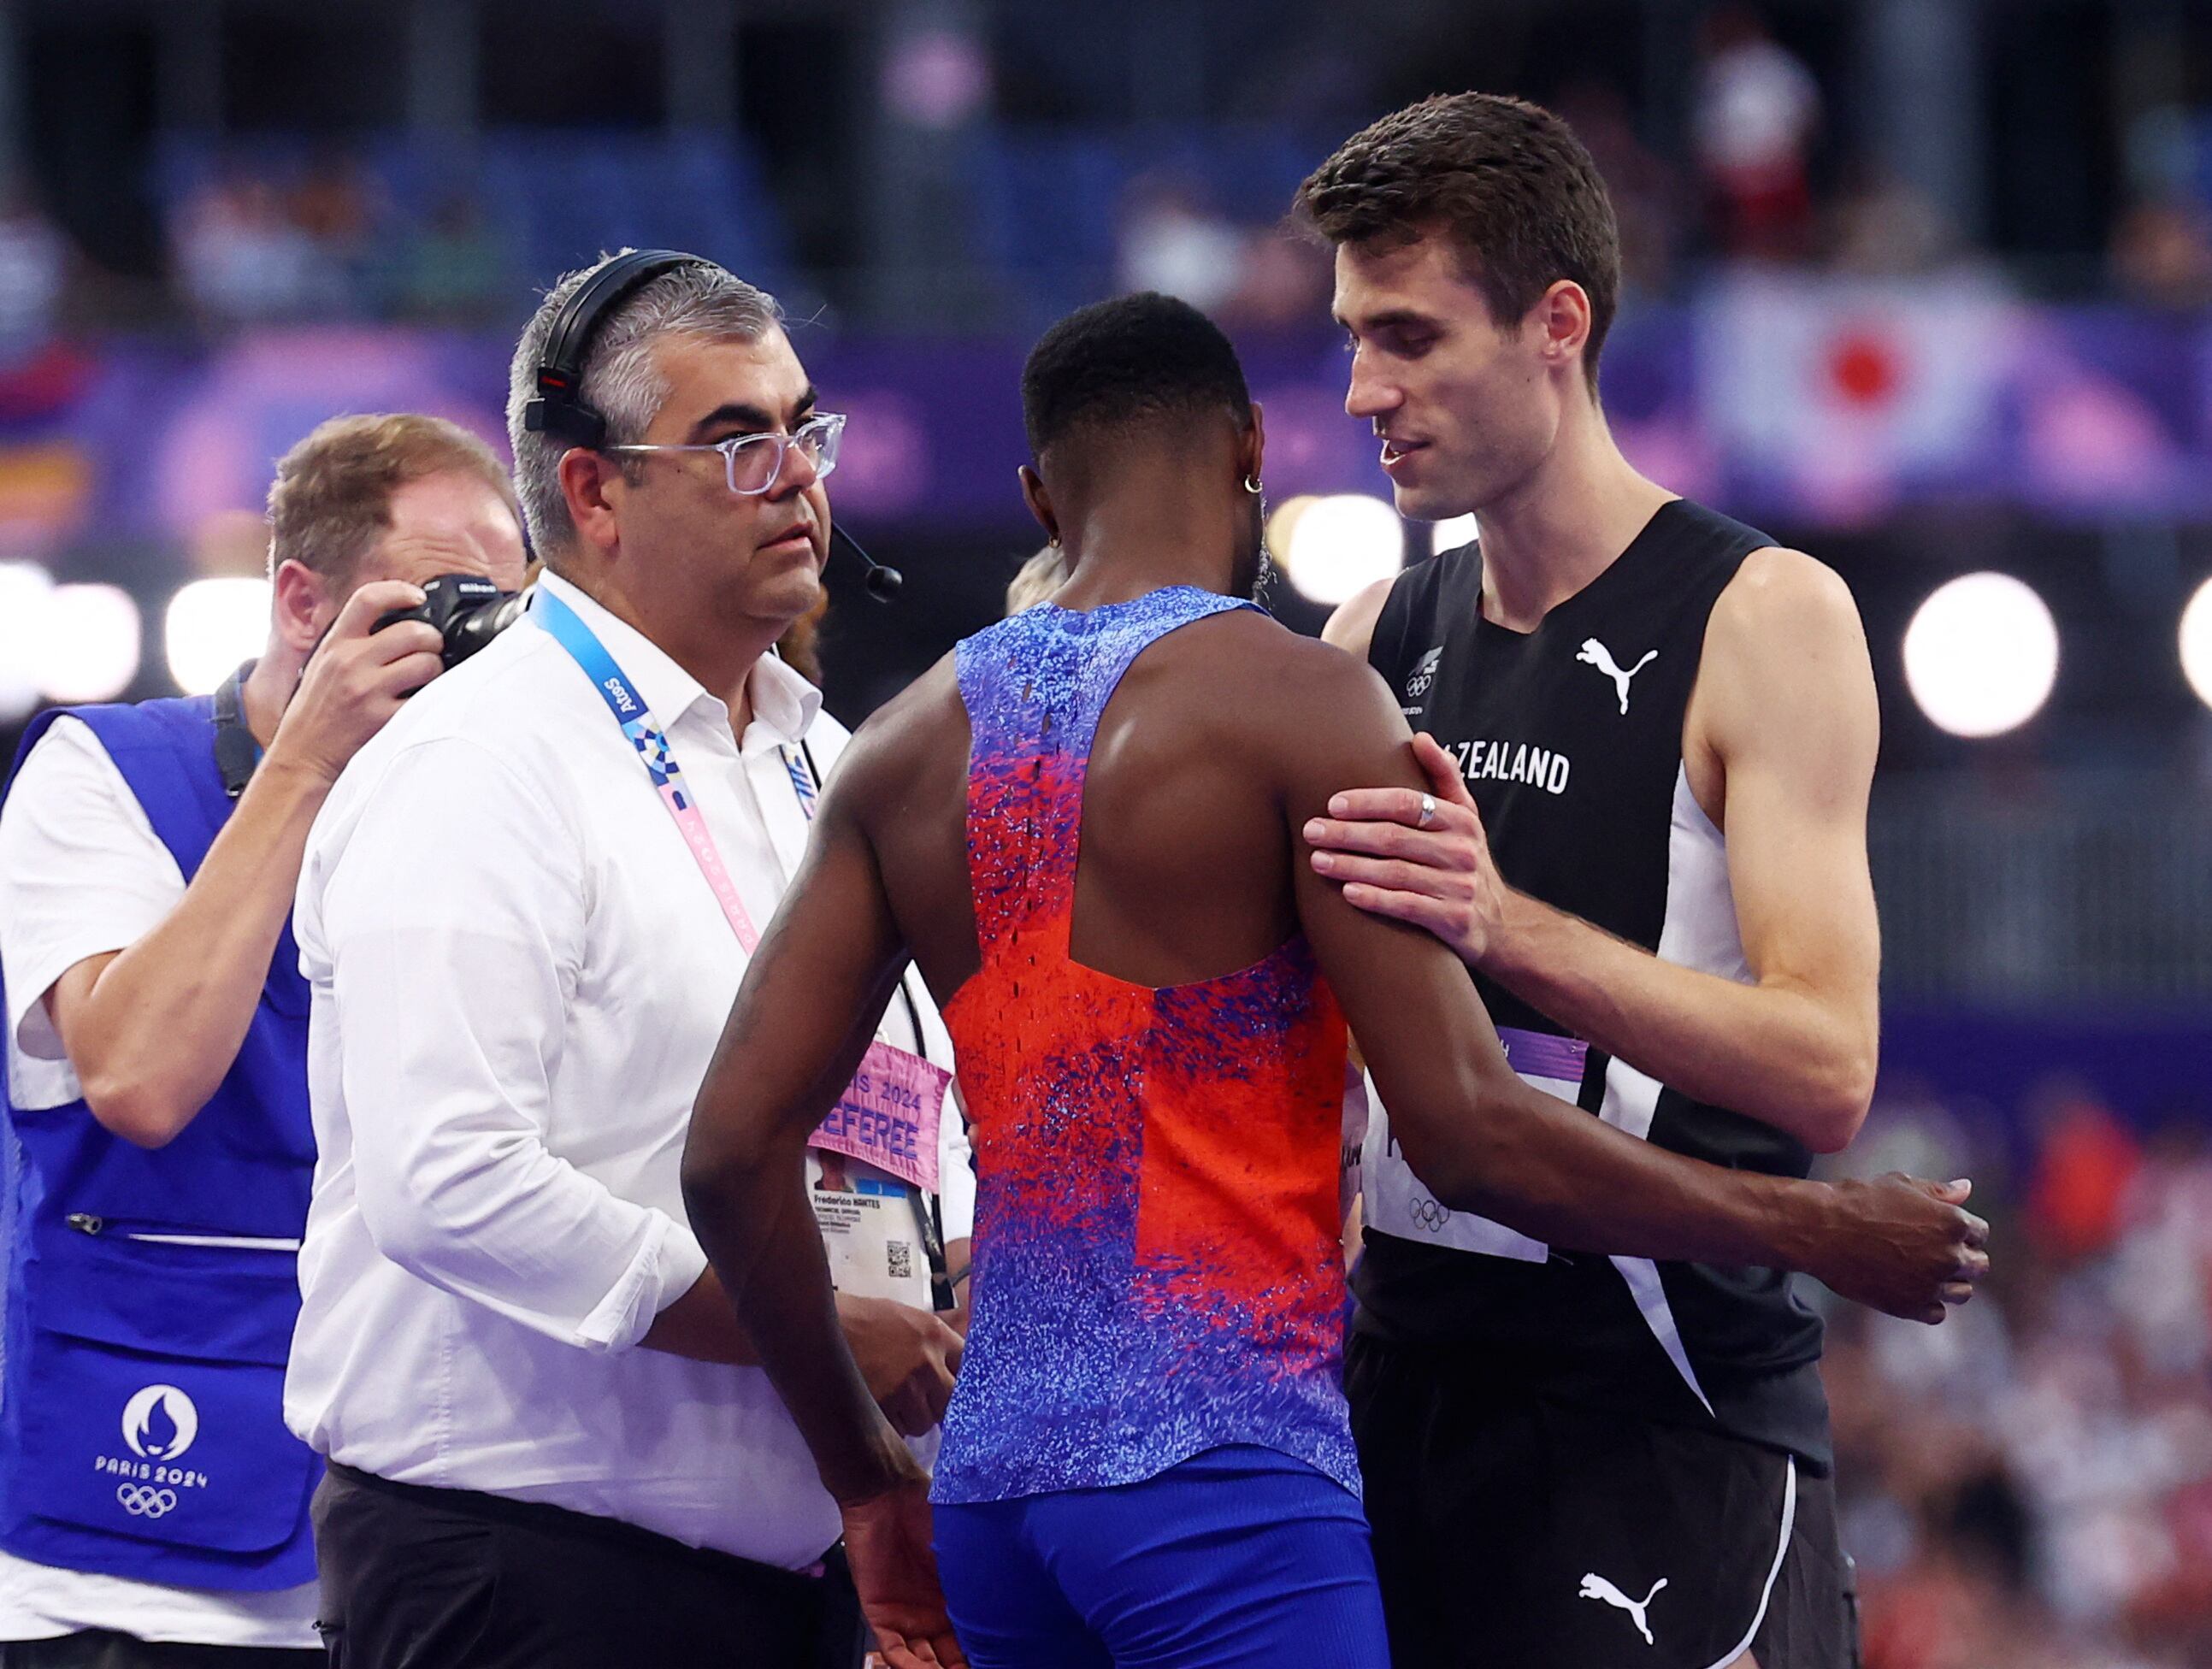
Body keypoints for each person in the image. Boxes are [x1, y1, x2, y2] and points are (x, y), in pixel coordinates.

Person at [678, 292, 1988, 1669]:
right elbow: (1471, 1137)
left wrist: (870, 1476)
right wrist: (1815, 1231)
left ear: (1036, 498)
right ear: (1251, 450)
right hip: (1222, 1485)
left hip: (1001, 1501)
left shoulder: (895, 748)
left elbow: (727, 1155)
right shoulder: (1301, 702)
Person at [286, 251, 972, 1669]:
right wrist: (813, 1331)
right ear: (592, 493)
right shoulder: (478, 761)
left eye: (804, 429)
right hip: (525, 1579)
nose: (798, 477)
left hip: (805, 1575)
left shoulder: (826, 763)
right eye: (737, 443)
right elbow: (448, 1180)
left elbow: (908, 1092)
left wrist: (942, 1265)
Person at [1295, 92, 1904, 1667]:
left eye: (1413, 338)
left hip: (1665, 1419)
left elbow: (1828, 1070)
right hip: (1401, 1408)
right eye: (1357, 336)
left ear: (1557, 324)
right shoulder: (1373, 637)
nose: (1365, 386)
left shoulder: (1765, 615)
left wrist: (1504, 928)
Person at [0, 413, 526, 1666]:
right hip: (131, 1565)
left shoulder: (493, 813)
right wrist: (304, 766)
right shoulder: (106, 775)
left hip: (431, 1534)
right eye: (450, 599)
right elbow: (136, 1077)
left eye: (506, 610)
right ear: (303, 602)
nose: (478, 640)